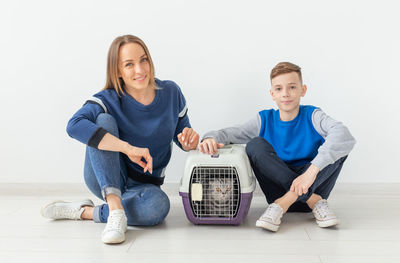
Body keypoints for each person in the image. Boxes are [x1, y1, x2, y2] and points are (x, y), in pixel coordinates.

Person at [41, 35, 199, 243]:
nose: (140, 70)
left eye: (143, 60)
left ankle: (87, 212)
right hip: (105, 178)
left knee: (158, 206)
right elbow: (74, 125)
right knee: (103, 120)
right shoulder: (109, 98)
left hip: (145, 185)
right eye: (129, 64)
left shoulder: (171, 92)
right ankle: (115, 211)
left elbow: (182, 134)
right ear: (118, 71)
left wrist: (189, 142)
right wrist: (127, 148)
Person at [199, 62, 356, 232]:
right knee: (254, 145)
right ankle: (313, 200)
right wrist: (210, 138)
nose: (286, 94)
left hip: (312, 184)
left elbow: (343, 134)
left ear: (303, 90)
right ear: (272, 94)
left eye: (292, 87)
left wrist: (310, 173)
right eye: (279, 89)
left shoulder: (313, 115)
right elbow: (229, 133)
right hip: (280, 192)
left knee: (339, 146)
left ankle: (284, 204)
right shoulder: (264, 119)